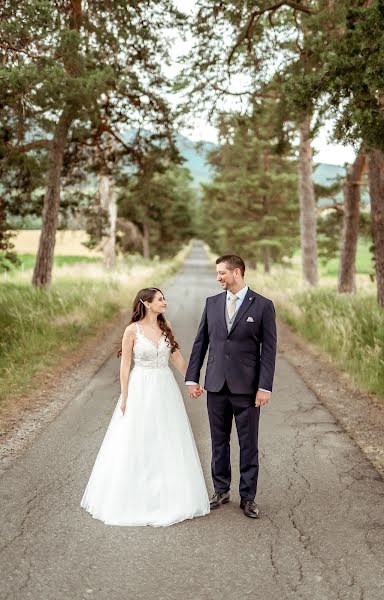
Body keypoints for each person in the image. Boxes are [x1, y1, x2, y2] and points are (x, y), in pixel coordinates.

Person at [81, 287, 210, 527]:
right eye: (160, 299)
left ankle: (168, 493)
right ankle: (134, 494)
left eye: (164, 299)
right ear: (146, 303)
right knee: (139, 437)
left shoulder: (165, 326)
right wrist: (125, 395)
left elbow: (177, 358)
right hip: (141, 387)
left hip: (165, 387)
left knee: (167, 437)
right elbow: (125, 365)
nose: (165, 302)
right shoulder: (132, 330)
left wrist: (191, 381)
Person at [185, 255, 277, 519]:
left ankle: (248, 497)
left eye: (222, 273)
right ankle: (221, 490)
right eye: (217, 273)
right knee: (218, 441)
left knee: (248, 444)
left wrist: (264, 387)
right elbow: (200, 342)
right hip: (215, 384)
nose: (218, 278)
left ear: (237, 272)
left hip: (247, 388)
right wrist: (193, 377)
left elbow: (269, 351)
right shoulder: (212, 303)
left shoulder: (263, 306)